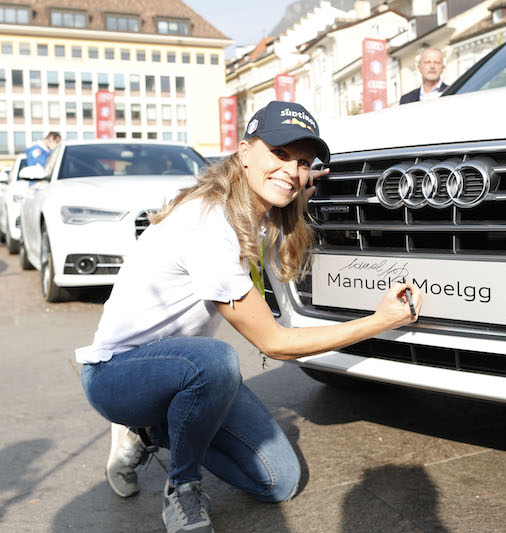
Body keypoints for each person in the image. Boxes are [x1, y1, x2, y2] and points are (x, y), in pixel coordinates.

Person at [75, 101, 422, 533]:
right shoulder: (210, 223)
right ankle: (181, 486)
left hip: (182, 371)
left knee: (280, 481)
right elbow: (273, 343)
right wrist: (380, 321)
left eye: (303, 163)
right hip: (118, 377)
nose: (292, 172)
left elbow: (285, 185)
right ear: (243, 152)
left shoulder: (250, 208)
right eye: (279, 154)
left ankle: (150, 433)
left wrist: (295, 182)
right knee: (215, 361)